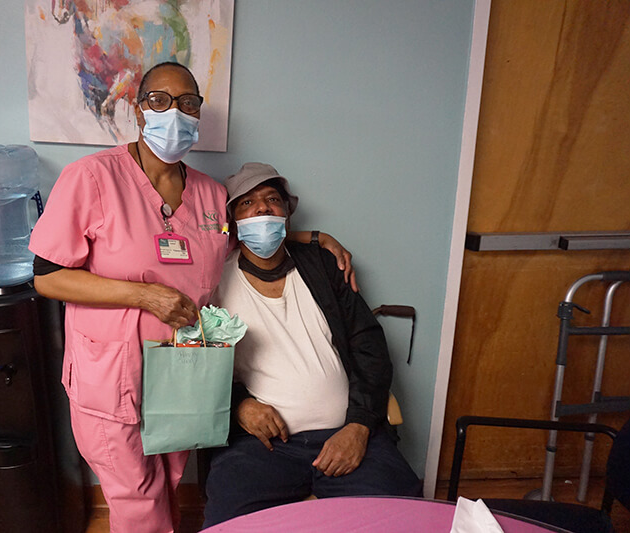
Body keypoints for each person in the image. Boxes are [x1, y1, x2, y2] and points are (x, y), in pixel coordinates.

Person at [28, 63, 356, 533]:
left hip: (182, 376)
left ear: (199, 113)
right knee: (138, 501)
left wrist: (313, 236)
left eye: (188, 102)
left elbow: (240, 240)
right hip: (111, 376)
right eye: (159, 100)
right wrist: (143, 296)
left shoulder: (207, 194)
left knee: (166, 486)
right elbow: (47, 276)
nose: (174, 112)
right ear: (138, 111)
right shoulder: (91, 178)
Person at [202, 163, 423, 528]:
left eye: (273, 200)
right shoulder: (214, 281)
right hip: (264, 447)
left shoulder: (322, 266)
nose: (262, 209)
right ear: (233, 222)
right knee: (230, 521)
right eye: (247, 203)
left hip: (349, 437)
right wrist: (239, 407)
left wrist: (359, 427)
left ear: (287, 216)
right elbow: (199, 365)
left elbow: (369, 348)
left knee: (403, 520)